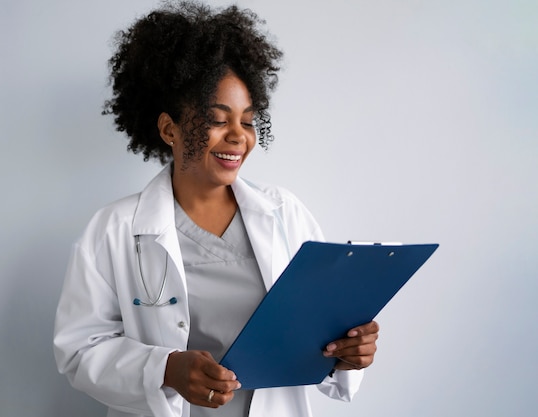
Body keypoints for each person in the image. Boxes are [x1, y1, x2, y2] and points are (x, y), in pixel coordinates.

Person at [53, 2, 379, 417]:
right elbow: (79, 350)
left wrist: (349, 351)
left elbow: (322, 333)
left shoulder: (285, 214)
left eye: (247, 121)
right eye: (217, 119)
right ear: (169, 129)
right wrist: (165, 369)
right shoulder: (114, 229)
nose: (237, 137)